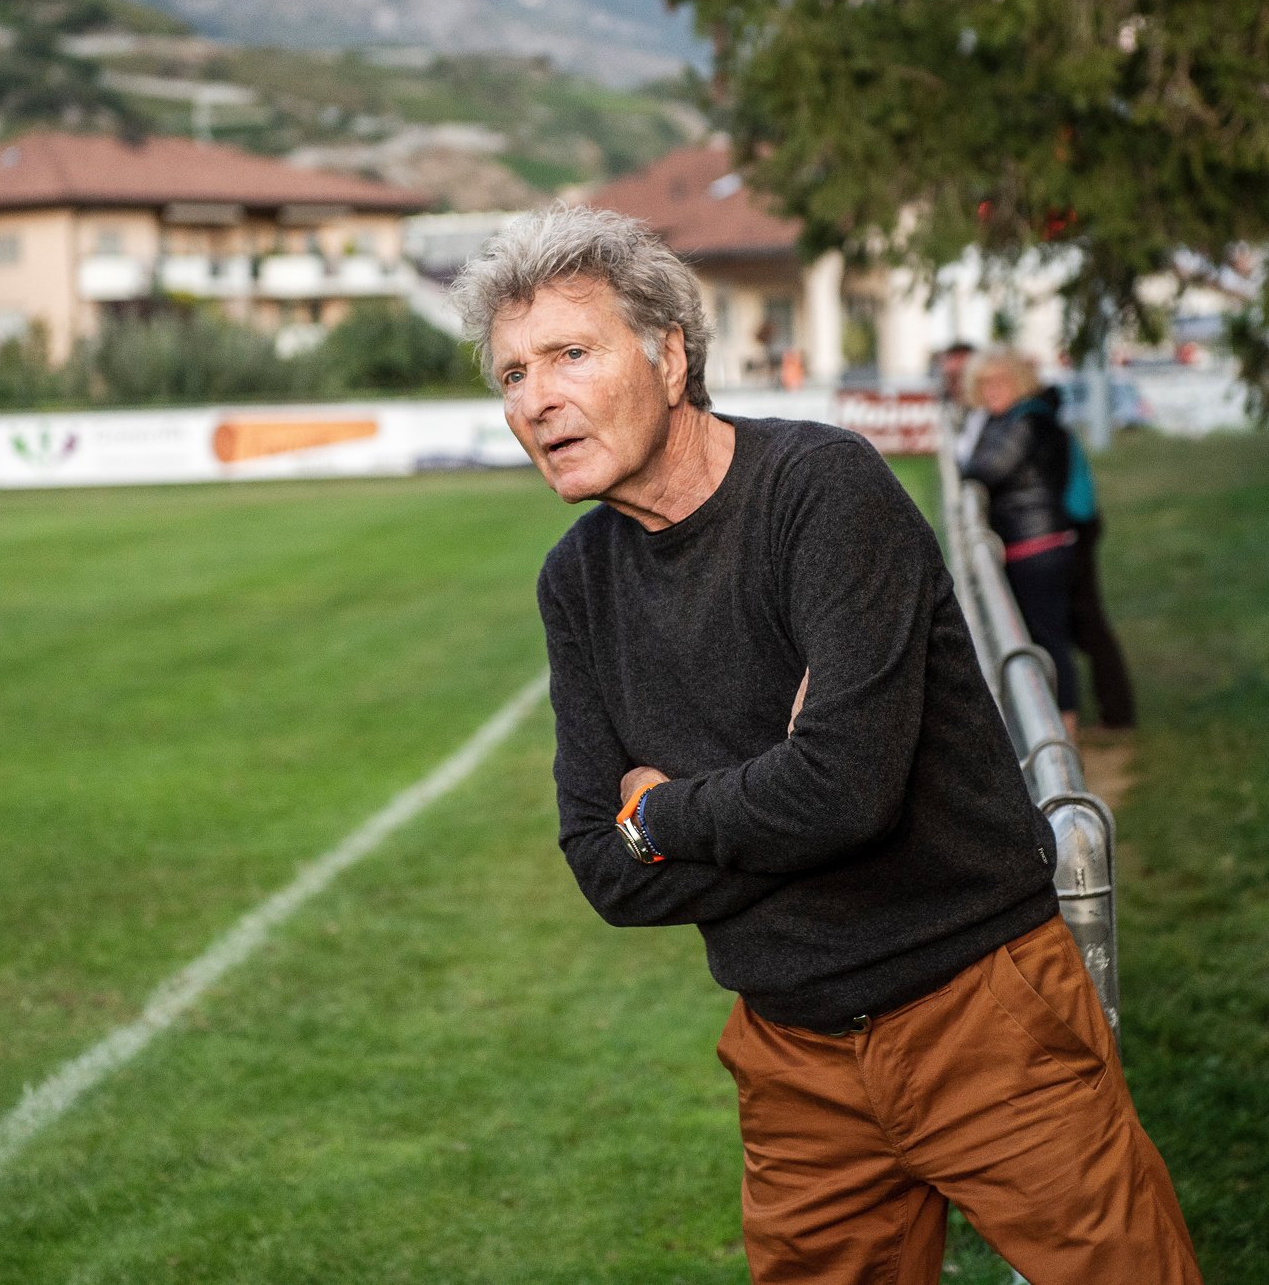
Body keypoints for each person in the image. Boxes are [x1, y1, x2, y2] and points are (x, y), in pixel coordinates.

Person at [449, 206, 1199, 1285]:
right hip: (789, 1055)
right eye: (512, 373)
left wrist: (662, 812)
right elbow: (601, 868)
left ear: (668, 356)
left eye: (569, 353)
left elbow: (842, 791)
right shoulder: (574, 578)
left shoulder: (819, 489)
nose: (536, 399)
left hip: (980, 1012)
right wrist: (767, 791)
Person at [960, 349, 1083, 738]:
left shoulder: (1027, 421)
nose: (991, 391)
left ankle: (1065, 733)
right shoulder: (1009, 420)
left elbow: (986, 468)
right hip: (1028, 543)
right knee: (1037, 636)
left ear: (1018, 382)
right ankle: (1054, 725)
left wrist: (968, 462)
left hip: (1038, 546)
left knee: (1048, 639)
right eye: (984, 384)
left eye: (999, 382)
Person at [1041, 382, 1138, 730]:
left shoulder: (1050, 436)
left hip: (1076, 531)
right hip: (1080, 527)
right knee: (1087, 626)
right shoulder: (1061, 433)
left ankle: (1117, 713)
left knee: (1090, 625)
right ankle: (1115, 710)